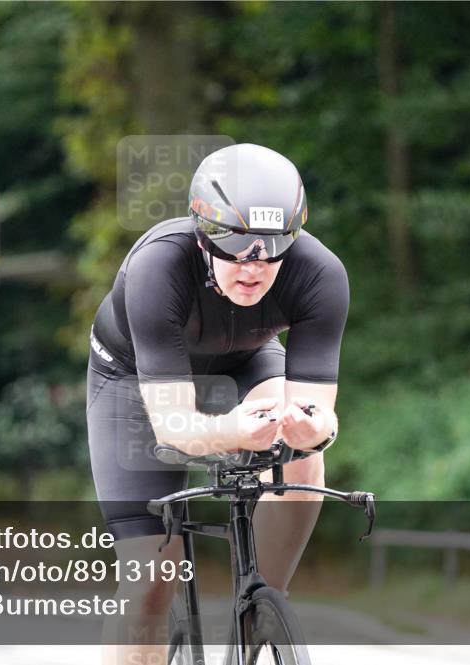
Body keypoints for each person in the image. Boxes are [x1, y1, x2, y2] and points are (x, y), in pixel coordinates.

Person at [86, 143, 349, 664]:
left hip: (247, 359)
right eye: (236, 248)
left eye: (273, 249)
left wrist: (311, 432)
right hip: (133, 376)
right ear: (204, 236)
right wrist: (231, 431)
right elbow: (174, 427)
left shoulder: (321, 275)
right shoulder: (158, 265)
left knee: (305, 461)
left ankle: (260, 610)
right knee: (152, 578)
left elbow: (320, 413)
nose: (254, 266)